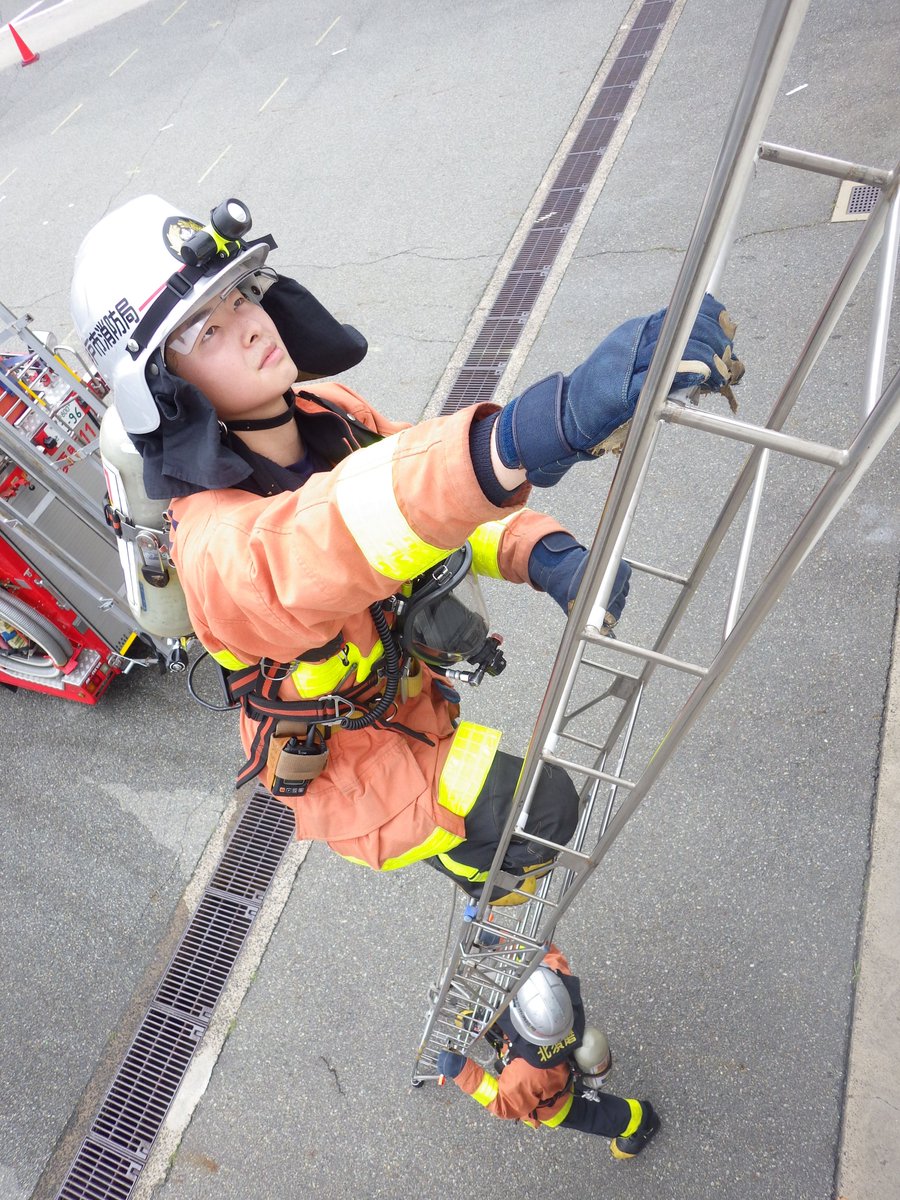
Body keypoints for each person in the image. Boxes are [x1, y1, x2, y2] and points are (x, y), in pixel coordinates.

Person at [70, 194, 742, 902]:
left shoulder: (330, 412)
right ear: (168, 392)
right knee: (544, 813)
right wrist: (525, 435)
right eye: (206, 332)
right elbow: (331, 537)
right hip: (359, 775)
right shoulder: (212, 545)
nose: (247, 326)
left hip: (410, 699)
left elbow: (421, 509)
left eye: (239, 297)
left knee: (526, 819)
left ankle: (499, 901)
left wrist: (539, 551)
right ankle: (494, 909)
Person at [437, 938, 659, 1159]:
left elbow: (504, 1103)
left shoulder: (523, 1075)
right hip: (566, 1059)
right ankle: (476, 1023)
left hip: (551, 1102)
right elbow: (546, 955)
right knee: (501, 1031)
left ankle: (641, 1122)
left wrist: (463, 1072)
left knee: (590, 1116)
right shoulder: (558, 985)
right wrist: (504, 943)